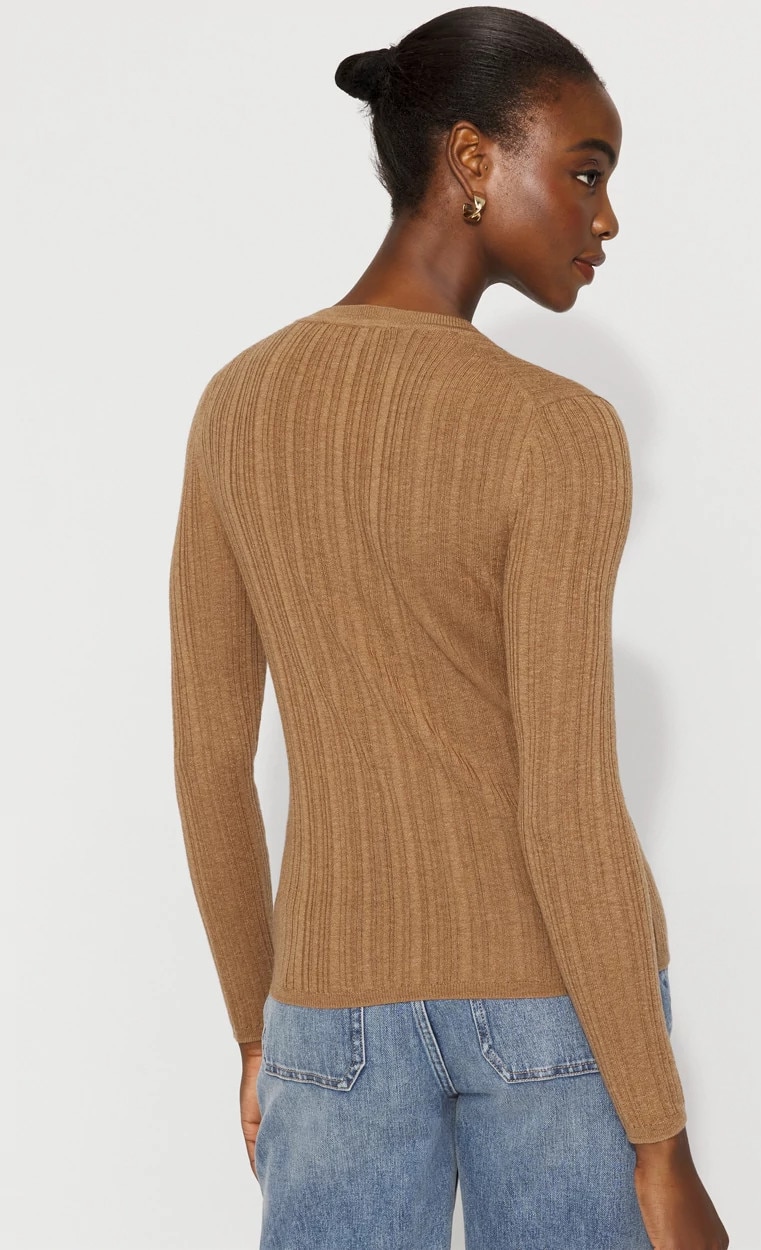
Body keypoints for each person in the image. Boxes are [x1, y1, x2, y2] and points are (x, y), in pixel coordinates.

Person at [168, 6, 729, 1248]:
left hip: (326, 1019)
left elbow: (209, 761)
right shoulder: (556, 429)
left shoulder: (237, 405)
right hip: (551, 1009)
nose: (605, 217)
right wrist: (661, 1140)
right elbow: (566, 797)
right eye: (584, 171)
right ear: (472, 158)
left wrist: (259, 1032)